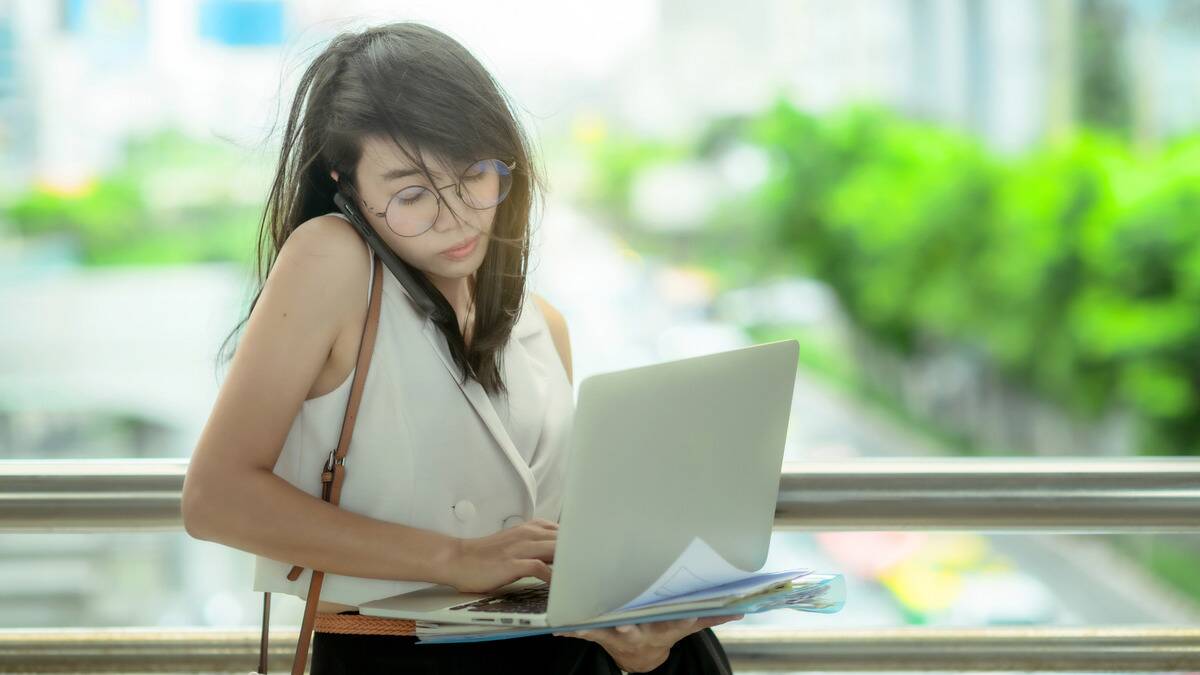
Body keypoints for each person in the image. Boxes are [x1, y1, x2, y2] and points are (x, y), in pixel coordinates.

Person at [180, 21, 741, 674]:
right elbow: (214, 497)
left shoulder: (544, 327)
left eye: (475, 174)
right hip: (398, 653)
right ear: (346, 179)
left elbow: (550, 554)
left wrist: (634, 633)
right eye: (412, 193)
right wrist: (452, 556)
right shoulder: (335, 261)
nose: (456, 216)